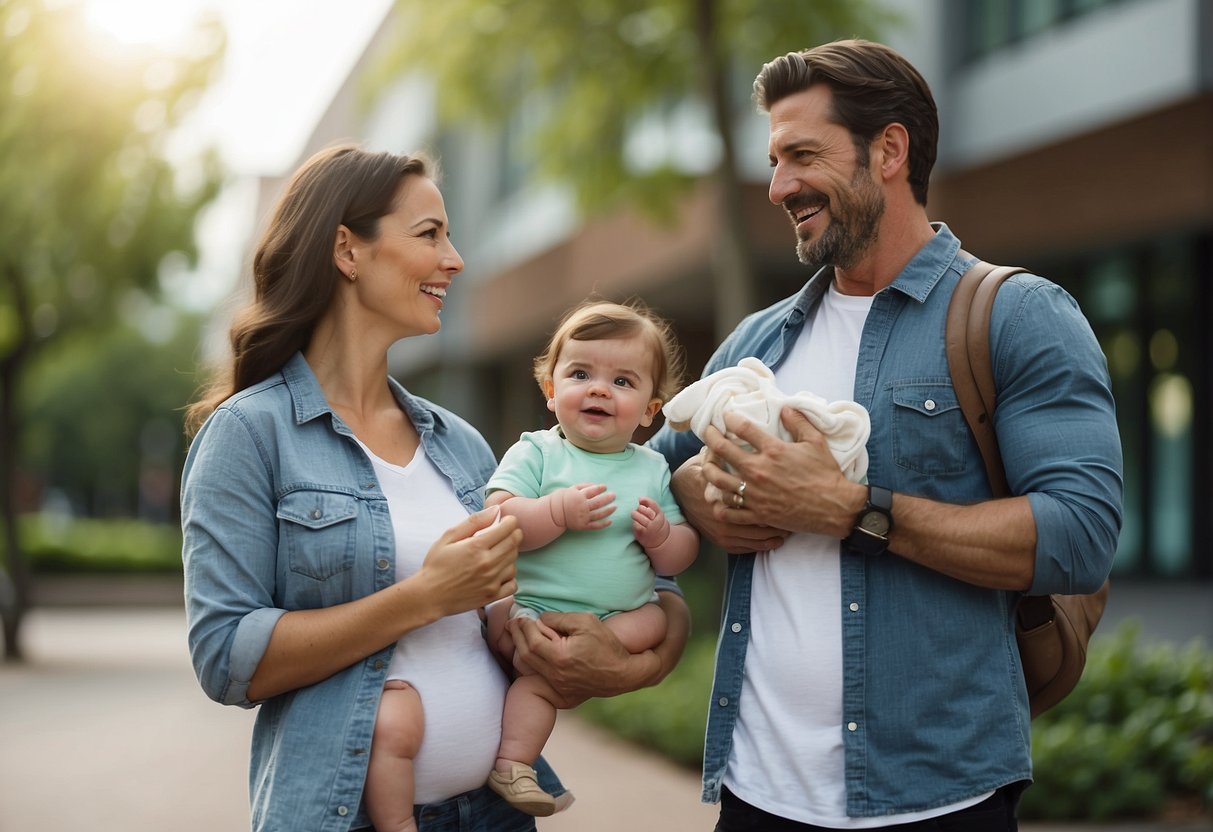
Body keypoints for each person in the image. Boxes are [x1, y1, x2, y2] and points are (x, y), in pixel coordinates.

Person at [648, 40, 1123, 832]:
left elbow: (1078, 536)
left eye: (802, 155)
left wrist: (849, 510)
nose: (778, 187)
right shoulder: (754, 344)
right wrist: (695, 493)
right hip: (755, 794)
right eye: (773, 160)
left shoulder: (1016, 314)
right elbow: (655, 477)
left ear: (890, 150)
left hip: (940, 798)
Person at [180, 144, 690, 832]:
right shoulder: (249, 433)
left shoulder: (458, 441)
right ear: (346, 251)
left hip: (495, 810)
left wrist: (618, 655)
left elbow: (619, 578)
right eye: (430, 235)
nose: (454, 259)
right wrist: (422, 598)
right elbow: (226, 656)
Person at [481, 300, 700, 816]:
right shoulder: (537, 452)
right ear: (552, 392)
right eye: (581, 373)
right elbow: (498, 520)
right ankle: (513, 763)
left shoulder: (651, 467)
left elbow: (680, 556)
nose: (600, 388)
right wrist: (555, 511)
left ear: (650, 410)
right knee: (537, 684)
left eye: (624, 381)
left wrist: (662, 535)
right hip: (537, 611)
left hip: (619, 619)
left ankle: (599, 660)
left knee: (655, 618)